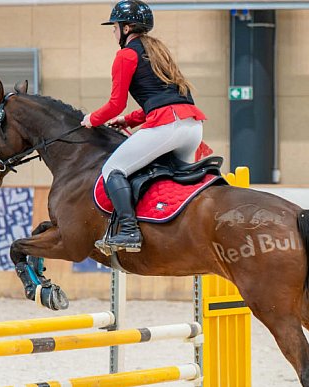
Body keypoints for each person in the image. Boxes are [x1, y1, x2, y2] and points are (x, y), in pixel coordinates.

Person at [80, 0, 207, 252]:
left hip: (168, 127)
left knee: (113, 169)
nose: (113, 32)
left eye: (115, 26)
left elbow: (116, 104)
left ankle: (128, 230)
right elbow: (161, 97)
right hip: (192, 127)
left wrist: (92, 119)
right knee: (168, 175)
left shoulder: (126, 55)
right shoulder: (159, 51)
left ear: (126, 28)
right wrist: (129, 120)